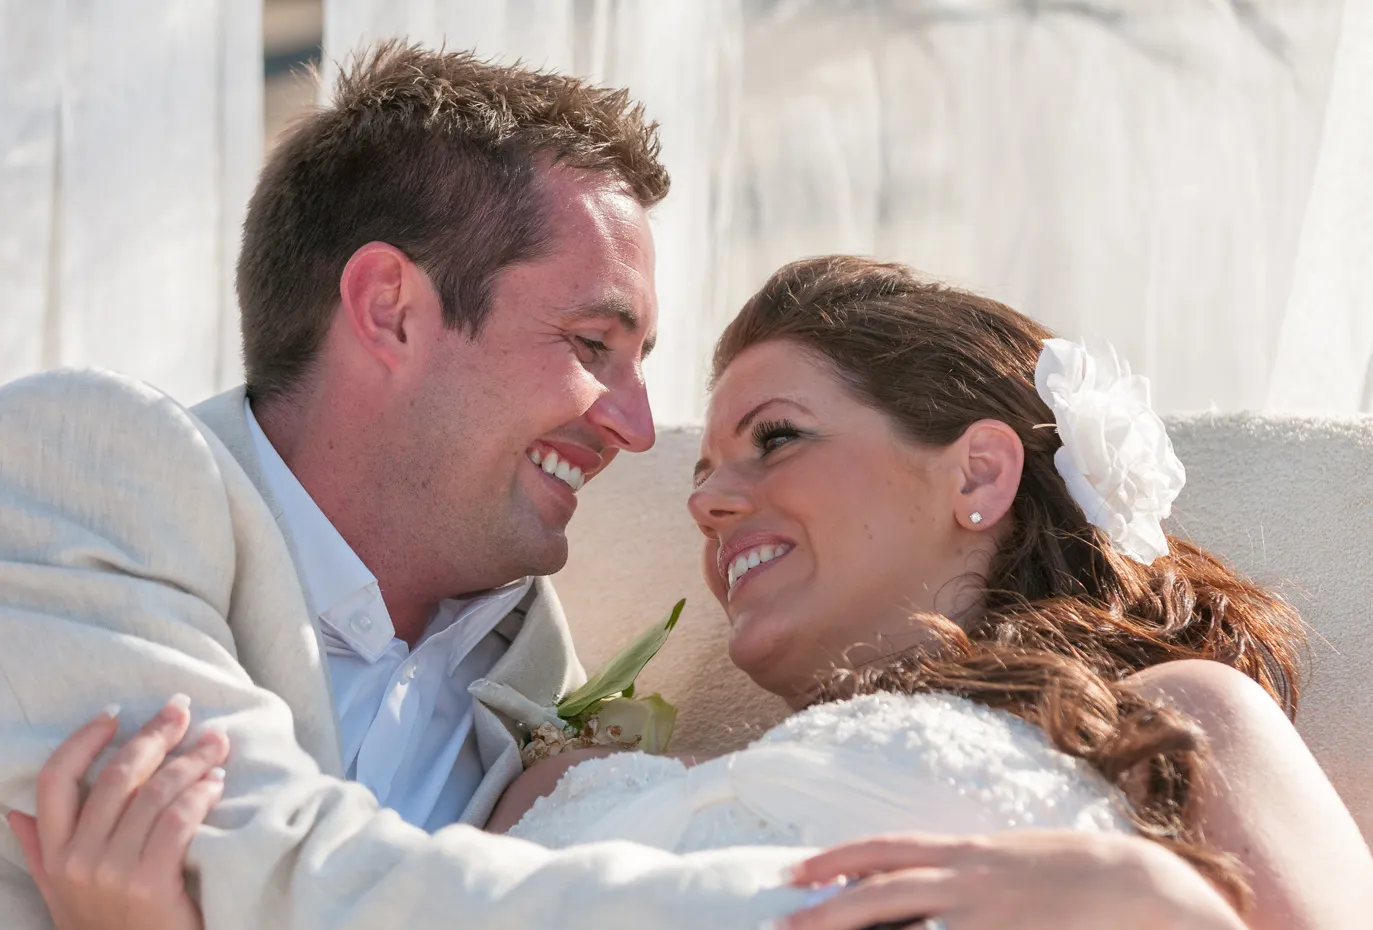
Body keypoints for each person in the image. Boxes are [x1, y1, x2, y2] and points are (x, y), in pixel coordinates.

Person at [15, 258, 1373, 930]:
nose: (708, 496)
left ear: (976, 472)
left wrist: (1156, 907)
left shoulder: (1180, 721)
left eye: (776, 438)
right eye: (708, 463)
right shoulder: (564, 783)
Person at [0, 40, 815, 930]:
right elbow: (268, 877)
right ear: (389, 308)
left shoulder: (536, 666)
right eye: (591, 346)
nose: (637, 427)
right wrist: (843, 900)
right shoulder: (88, 465)